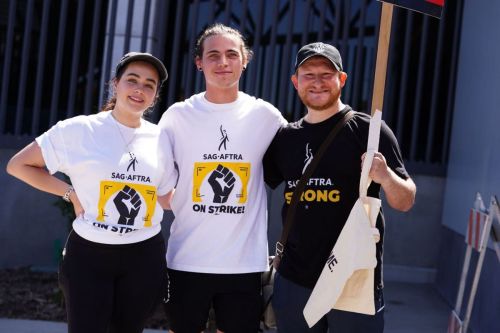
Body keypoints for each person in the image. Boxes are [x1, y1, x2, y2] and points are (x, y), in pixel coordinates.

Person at [6, 52, 177, 333]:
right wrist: (70, 193)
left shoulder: (161, 138)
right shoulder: (79, 130)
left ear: (156, 95)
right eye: (132, 80)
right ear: (115, 84)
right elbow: (19, 165)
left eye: (149, 85)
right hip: (90, 255)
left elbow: (164, 197)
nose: (139, 89)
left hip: (143, 256)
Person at [263, 42, 417, 332]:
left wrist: (385, 176)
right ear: (296, 82)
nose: (317, 82)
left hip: (354, 278)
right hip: (296, 281)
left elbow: (406, 200)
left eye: (326, 74)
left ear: (341, 80)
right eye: (308, 74)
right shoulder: (285, 139)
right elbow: (255, 193)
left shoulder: (368, 131)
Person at [158, 23, 287, 333]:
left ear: (245, 60)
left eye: (232, 54)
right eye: (213, 55)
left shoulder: (266, 116)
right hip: (187, 259)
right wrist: (186, 202)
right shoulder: (177, 116)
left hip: (244, 263)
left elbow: (300, 157)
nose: (223, 63)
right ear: (199, 62)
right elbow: (158, 185)